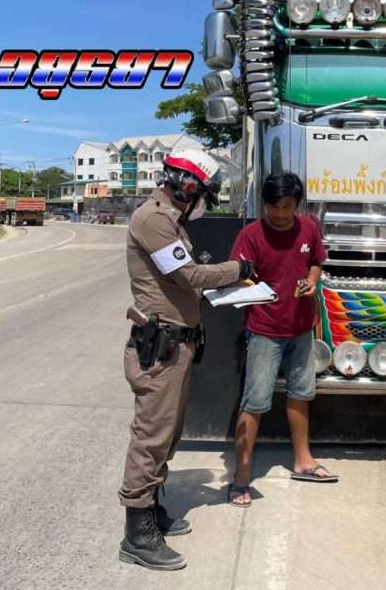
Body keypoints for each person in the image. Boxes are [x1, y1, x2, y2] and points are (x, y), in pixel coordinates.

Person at [118, 148, 256, 571]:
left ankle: (152, 508)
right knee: (151, 436)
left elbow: (187, 280)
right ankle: (136, 534)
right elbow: (189, 275)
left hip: (177, 344)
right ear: (188, 186)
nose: (202, 204)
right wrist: (238, 269)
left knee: (168, 433)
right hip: (159, 347)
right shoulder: (153, 220)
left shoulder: (171, 221)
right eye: (203, 194)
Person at [226, 172, 337, 508]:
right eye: (273, 207)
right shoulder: (250, 235)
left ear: (297, 205)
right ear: (264, 204)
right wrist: (251, 287)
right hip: (264, 330)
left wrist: (311, 280)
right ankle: (241, 476)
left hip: (301, 327)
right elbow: (235, 275)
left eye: (287, 207)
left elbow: (315, 261)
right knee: (255, 400)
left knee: (301, 394)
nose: (279, 214)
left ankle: (303, 461)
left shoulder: (309, 228)